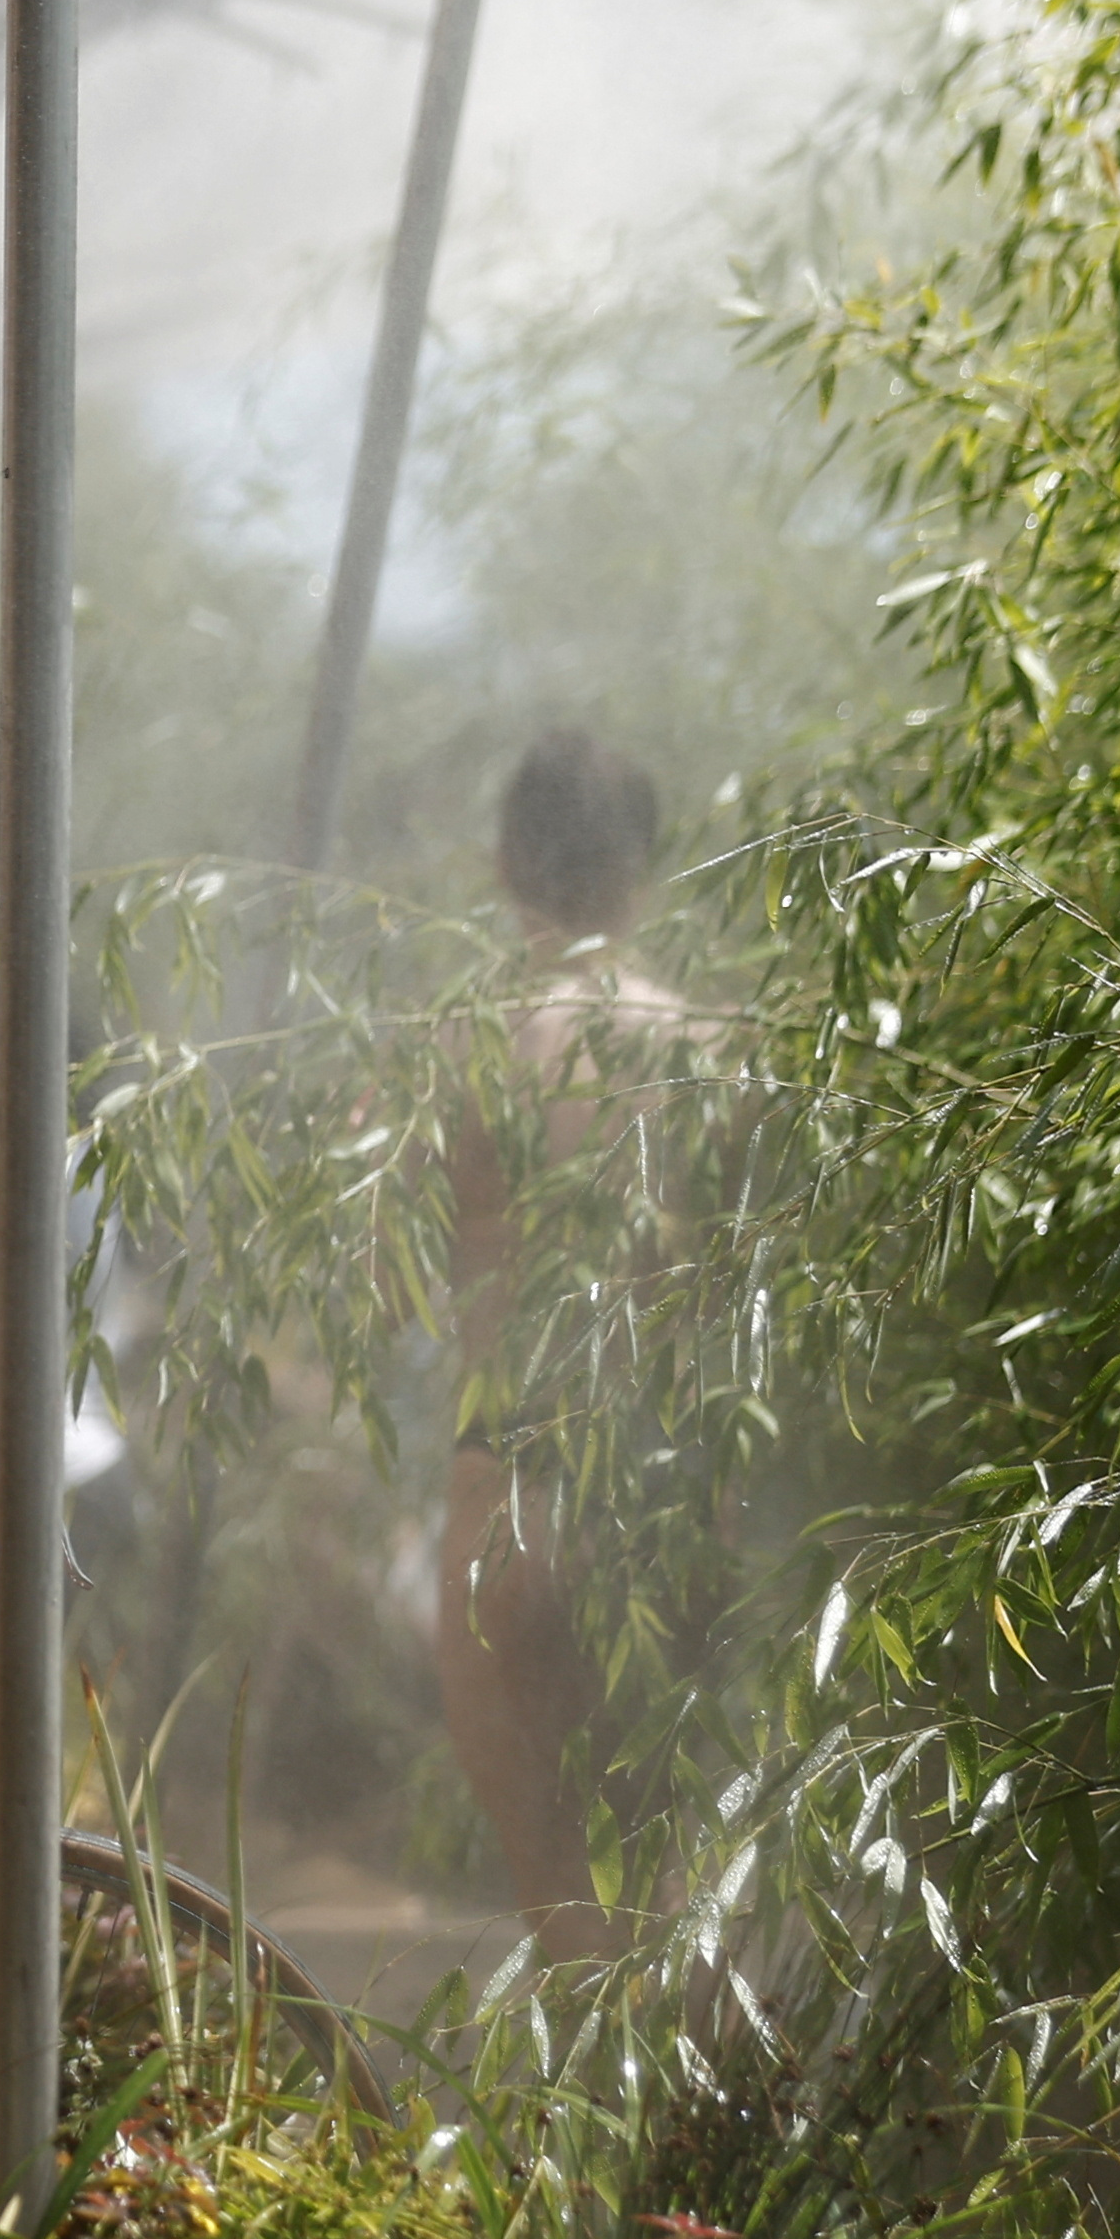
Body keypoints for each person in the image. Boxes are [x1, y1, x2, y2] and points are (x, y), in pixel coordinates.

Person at [434, 728, 685, 1957]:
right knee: (667, 1882)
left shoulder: (471, 1044)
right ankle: (685, 2140)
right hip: (665, 1482)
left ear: (502, 865)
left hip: (511, 1473)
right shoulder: (703, 1050)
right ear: (640, 873)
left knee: (560, 1894)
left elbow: (383, 1268)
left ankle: (593, 2133)